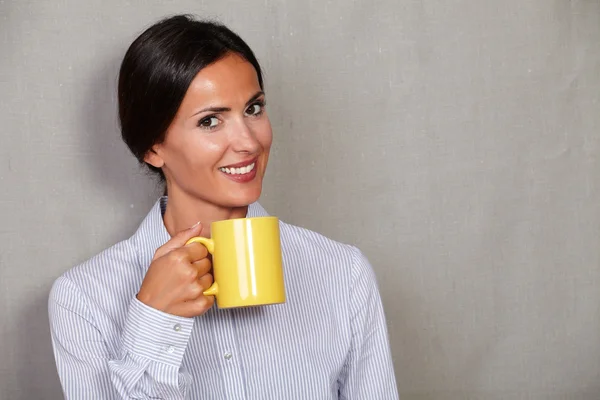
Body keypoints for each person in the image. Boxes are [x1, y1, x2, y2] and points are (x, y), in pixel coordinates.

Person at [48, 14, 399, 399]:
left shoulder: (342, 274)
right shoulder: (84, 298)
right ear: (153, 147)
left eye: (253, 109)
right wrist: (154, 320)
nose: (248, 142)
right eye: (211, 121)